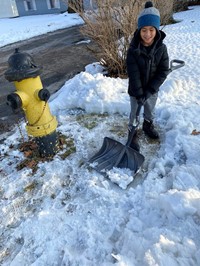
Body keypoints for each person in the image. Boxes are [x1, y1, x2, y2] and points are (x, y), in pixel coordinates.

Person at [126, 1, 169, 152]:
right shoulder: (133, 49)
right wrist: (138, 93)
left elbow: (163, 71)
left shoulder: (161, 49)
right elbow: (133, 71)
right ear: (139, 30)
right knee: (135, 111)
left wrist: (150, 90)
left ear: (157, 30)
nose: (147, 34)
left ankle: (148, 125)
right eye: (144, 29)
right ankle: (133, 132)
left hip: (152, 89)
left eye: (151, 29)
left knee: (150, 109)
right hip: (135, 90)